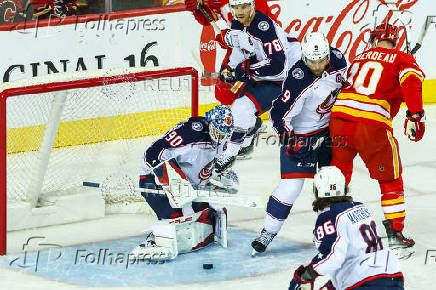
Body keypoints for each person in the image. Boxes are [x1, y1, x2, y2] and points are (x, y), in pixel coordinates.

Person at [329, 22, 425, 257]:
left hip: (339, 119)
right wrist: (416, 114)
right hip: (371, 125)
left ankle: (332, 228)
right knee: (391, 178)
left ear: (373, 40)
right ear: (395, 42)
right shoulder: (402, 58)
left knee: (338, 176)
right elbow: (412, 83)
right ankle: (395, 232)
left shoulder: (359, 57)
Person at [251, 32, 347, 254]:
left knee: (330, 185)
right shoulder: (298, 78)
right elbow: (277, 115)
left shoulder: (339, 60)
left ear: (327, 56)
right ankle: (268, 231)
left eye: (321, 60)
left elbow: (349, 87)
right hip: (300, 135)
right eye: (311, 61)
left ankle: (327, 234)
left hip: (329, 132)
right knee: (291, 187)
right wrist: (292, 143)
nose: (316, 66)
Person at [129, 105, 238, 260]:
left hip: (189, 185)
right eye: (217, 132)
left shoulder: (220, 139)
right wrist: (170, 181)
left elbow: (205, 166)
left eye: (223, 134)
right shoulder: (190, 133)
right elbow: (151, 153)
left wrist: (217, 177)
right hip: (153, 181)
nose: (220, 138)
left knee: (205, 215)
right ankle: (155, 239)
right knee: (177, 217)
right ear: (210, 123)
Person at [214, 0, 301, 169]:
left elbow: (278, 66)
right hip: (267, 73)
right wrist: (229, 67)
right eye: (236, 7)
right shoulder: (237, 23)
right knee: (237, 104)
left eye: (244, 7)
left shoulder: (263, 27)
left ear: (252, 6)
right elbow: (240, 50)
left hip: (286, 77)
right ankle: (248, 136)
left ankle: (229, 154)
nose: (240, 11)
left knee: (241, 107)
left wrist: (246, 69)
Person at [288, 166, 404, 290]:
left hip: (365, 282)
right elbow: (358, 253)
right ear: (344, 188)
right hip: (393, 275)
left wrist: (306, 275)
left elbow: (333, 257)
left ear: (317, 191)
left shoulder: (329, 216)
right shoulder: (361, 208)